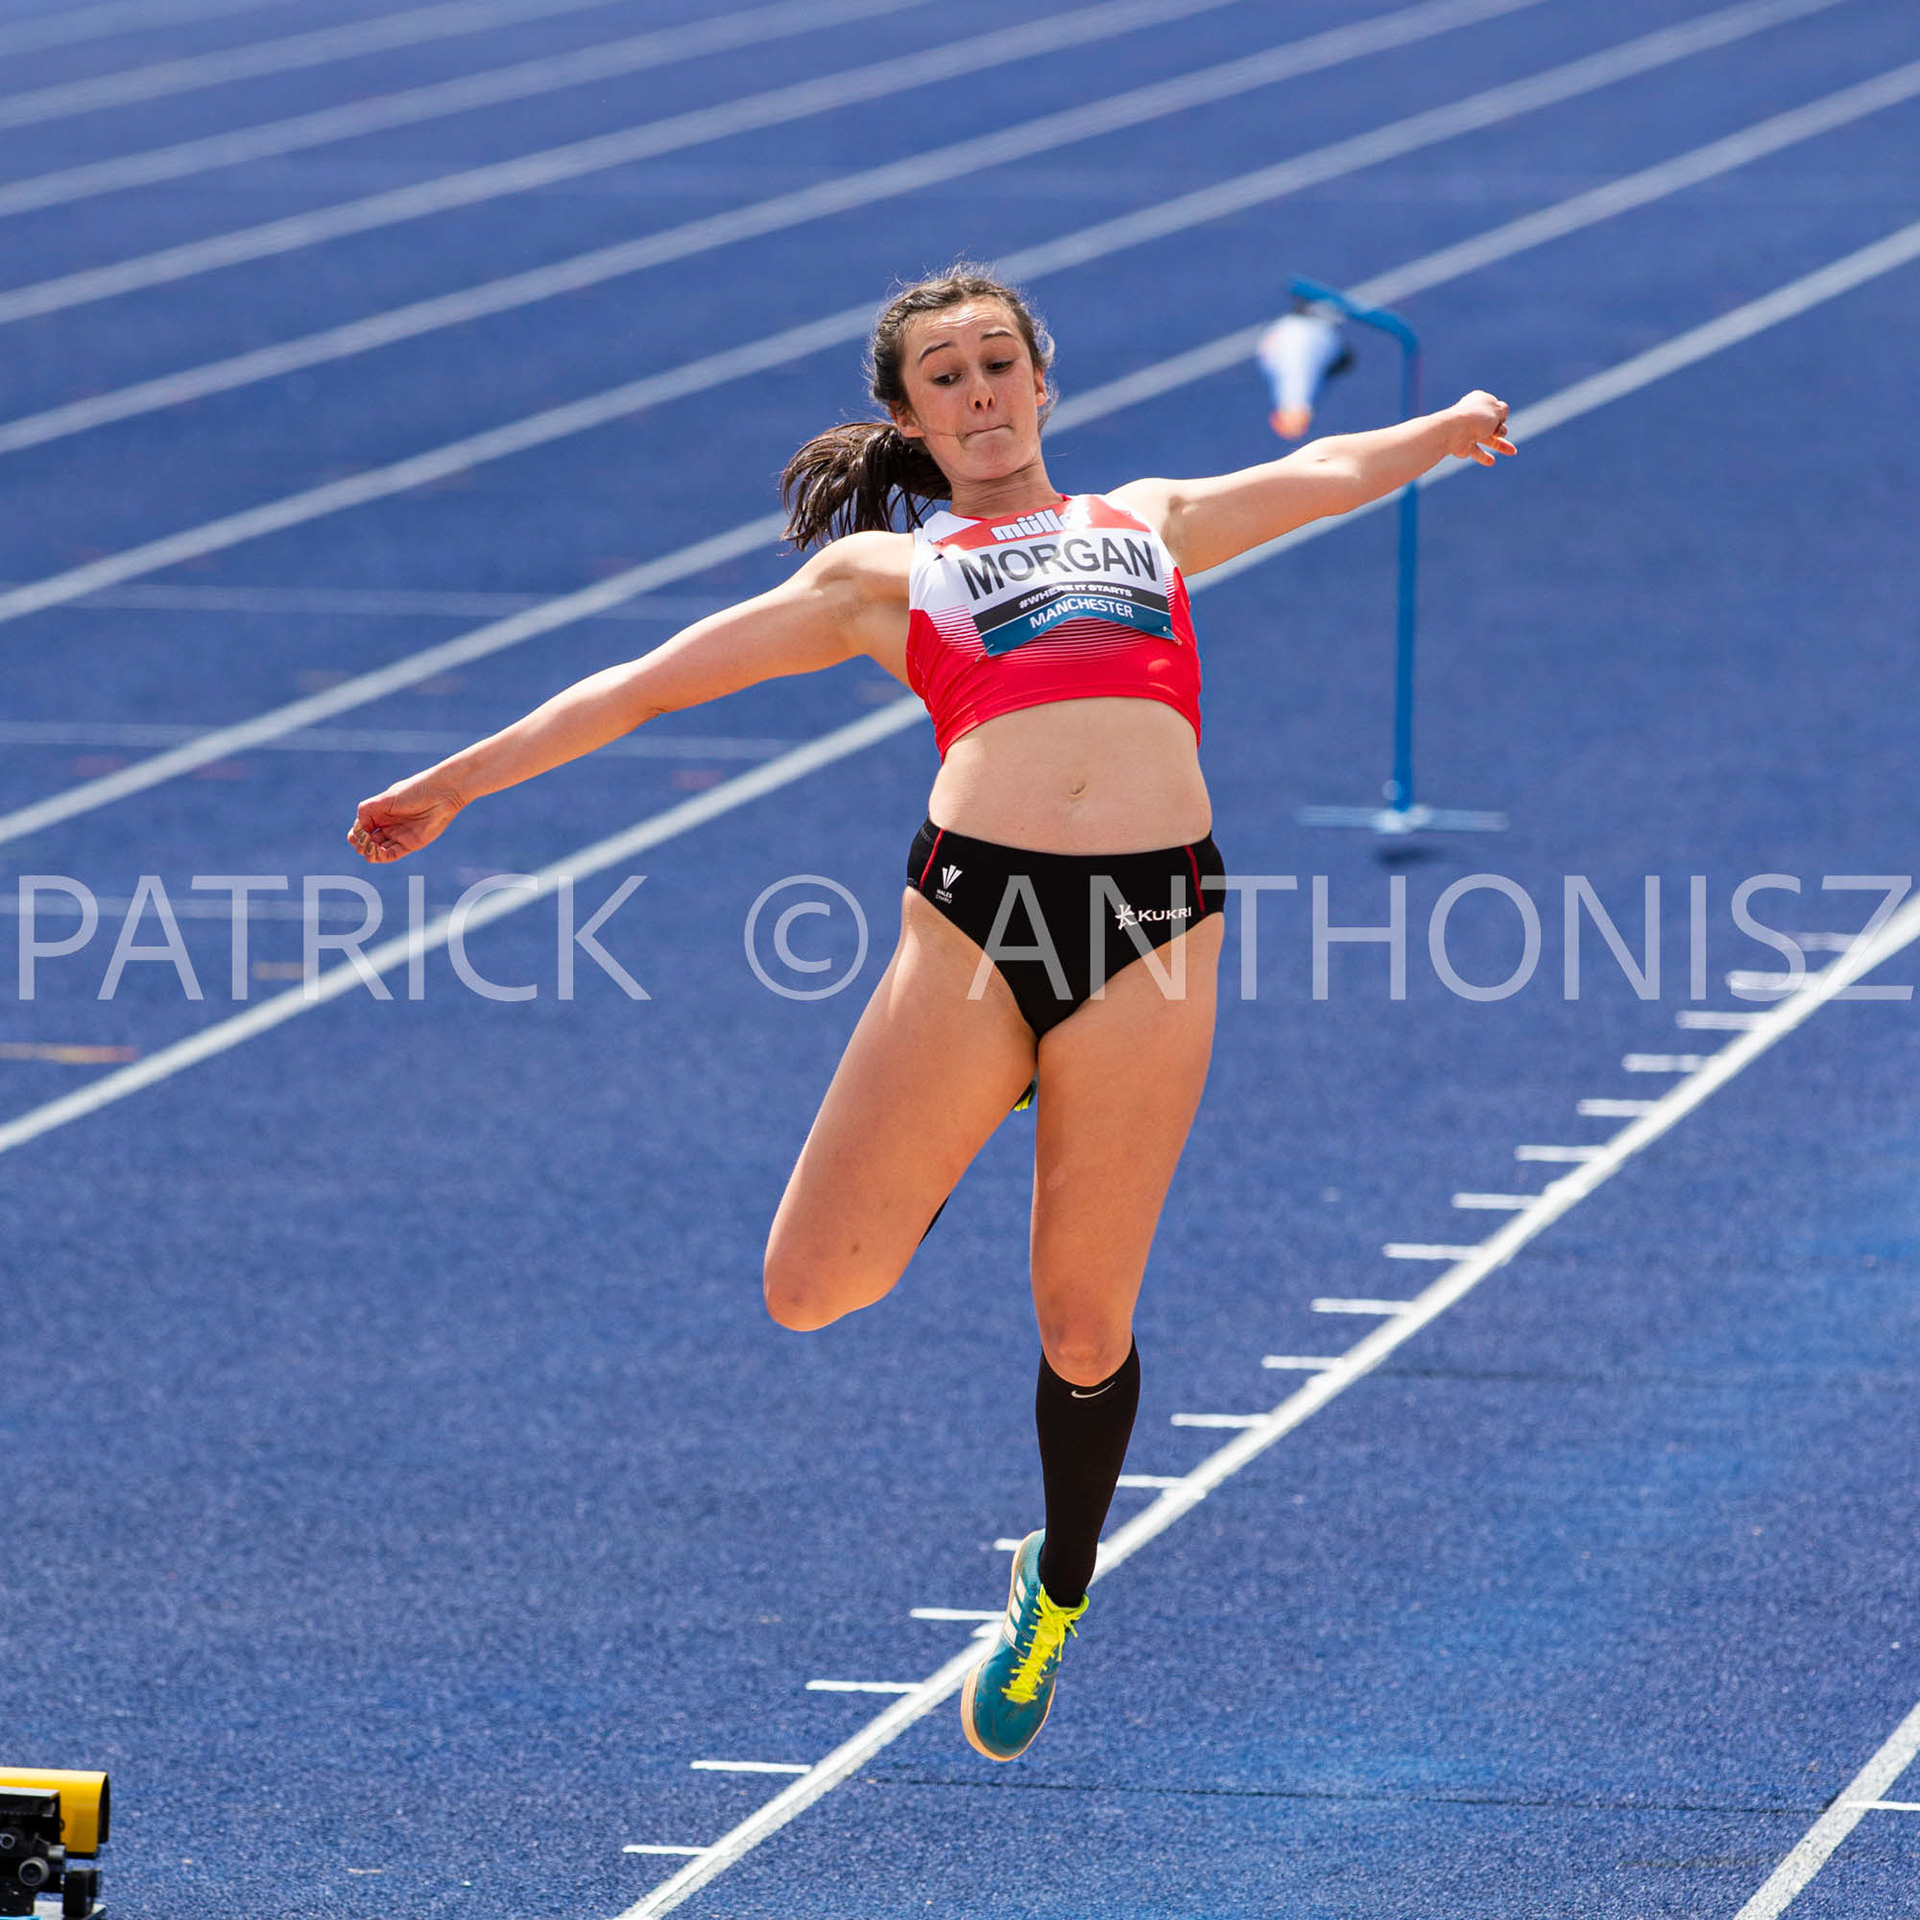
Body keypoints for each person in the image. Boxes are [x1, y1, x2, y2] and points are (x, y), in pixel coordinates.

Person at [347, 264, 1515, 1763]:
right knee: (809, 1286)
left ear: (1043, 383)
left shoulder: (1142, 522)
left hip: (1153, 930)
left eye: (996, 365)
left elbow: (1311, 472)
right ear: (908, 416)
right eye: (944, 377)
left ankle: (1057, 1585)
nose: (977, 394)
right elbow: (640, 688)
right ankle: (987, 1090)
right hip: (975, 924)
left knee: (1085, 1318)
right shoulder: (877, 583)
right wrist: (457, 779)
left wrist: (1436, 433)